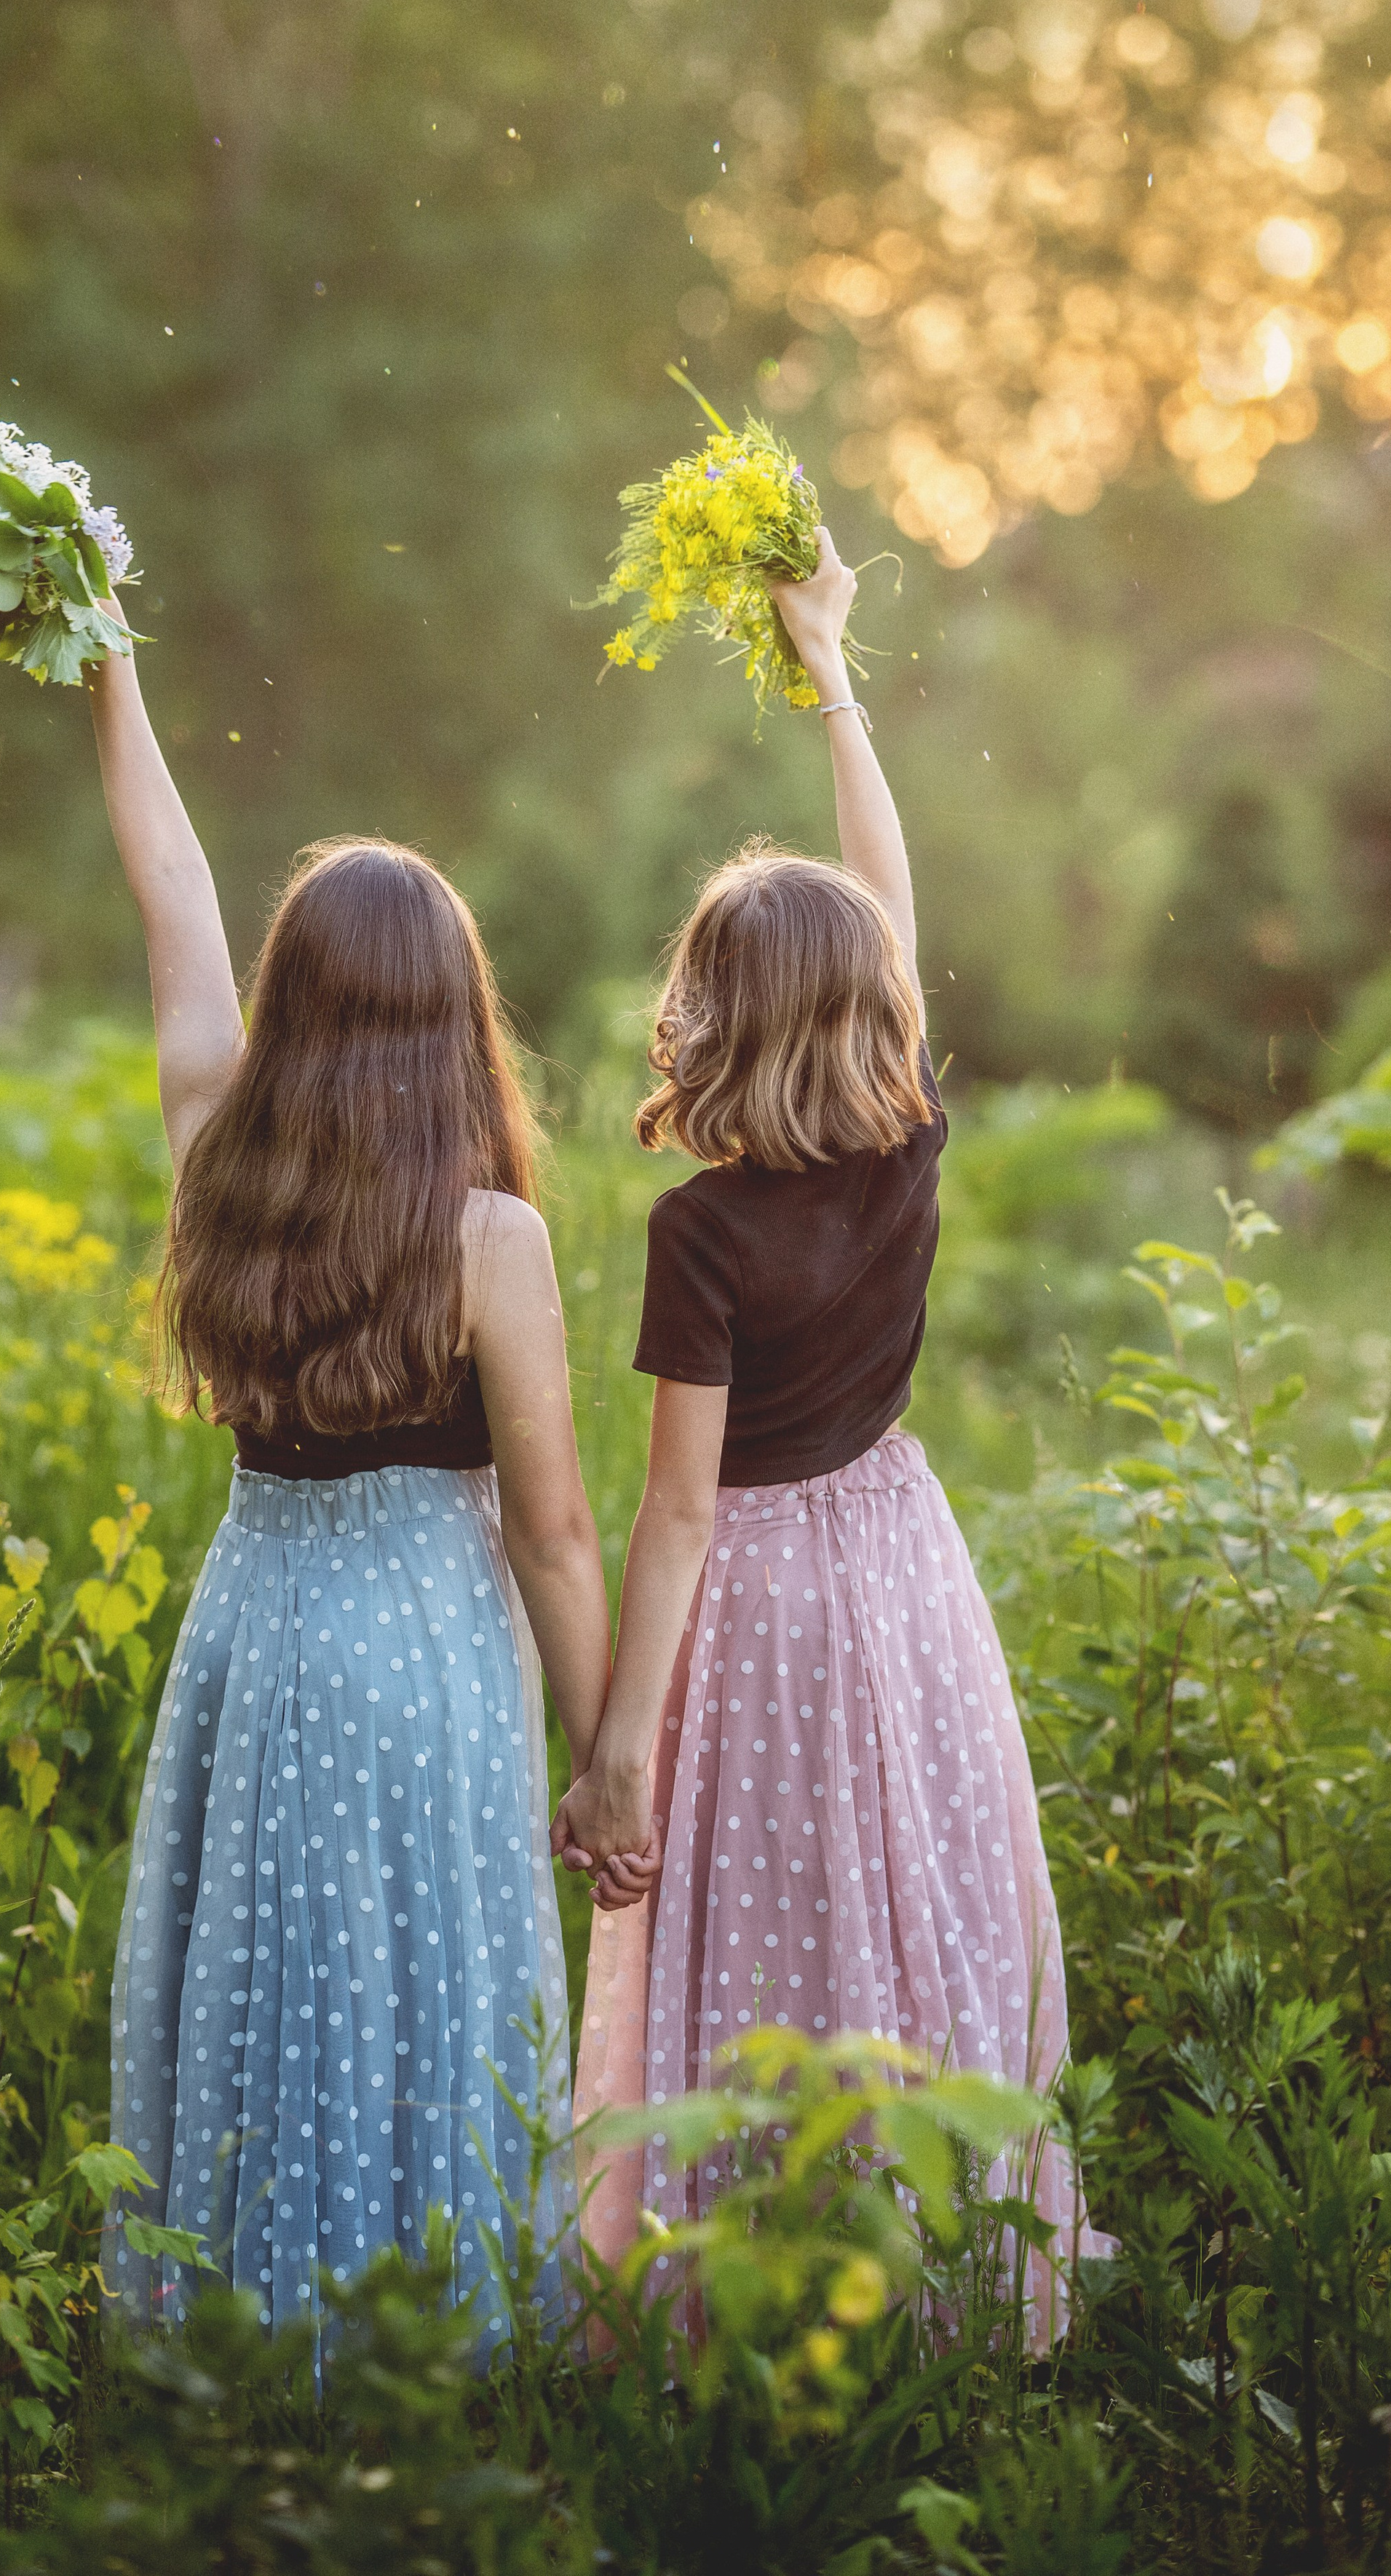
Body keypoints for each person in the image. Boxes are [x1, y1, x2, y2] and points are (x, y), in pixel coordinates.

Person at [555, 535, 1096, 2302]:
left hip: (764, 1604)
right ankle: (927, 2251)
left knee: (775, 1910)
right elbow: (888, 908)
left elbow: (677, 1512)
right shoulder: (903, 1136)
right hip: (896, 1559)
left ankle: (751, 2266)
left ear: (705, 1014)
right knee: (902, 1884)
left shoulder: (699, 1232)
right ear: (874, 1011)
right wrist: (830, 674)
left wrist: (618, 1746)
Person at [87, 601, 612, 2341]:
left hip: (258, 1628)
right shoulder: (488, 1238)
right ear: (455, 1018)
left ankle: (245, 2338)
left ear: (289, 1002)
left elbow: (169, 892)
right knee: (424, 1986)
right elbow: (551, 1529)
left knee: (270, 1981)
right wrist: (607, 1754)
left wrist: (111, 665)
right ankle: (427, 2342)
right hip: (428, 1648)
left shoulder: (215, 1152)